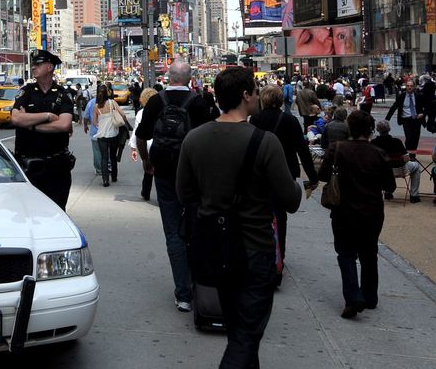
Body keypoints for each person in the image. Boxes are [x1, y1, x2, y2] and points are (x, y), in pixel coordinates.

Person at [177, 66, 302, 367]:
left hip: (214, 250)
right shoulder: (265, 142)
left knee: (238, 330)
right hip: (254, 250)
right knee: (246, 336)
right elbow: (291, 200)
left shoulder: (194, 139)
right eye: (256, 92)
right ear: (246, 95)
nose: (258, 97)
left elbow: (185, 195)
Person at [135, 61, 210, 313]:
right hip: (195, 175)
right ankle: (199, 285)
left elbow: (141, 136)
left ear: (169, 76)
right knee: (196, 229)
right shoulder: (199, 102)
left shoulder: (156, 101)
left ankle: (183, 295)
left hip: (164, 172)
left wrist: (147, 162)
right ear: (190, 79)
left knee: (172, 233)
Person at [318, 110, 396, 318]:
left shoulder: (338, 148)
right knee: (369, 253)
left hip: (344, 210)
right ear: (370, 130)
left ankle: (353, 296)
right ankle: (370, 296)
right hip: (371, 210)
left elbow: (323, 175)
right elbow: (390, 185)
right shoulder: (378, 153)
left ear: (349, 128)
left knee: (346, 253)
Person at [250, 86, 319, 271]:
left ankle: (261, 254)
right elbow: (302, 150)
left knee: (259, 215)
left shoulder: (256, 119)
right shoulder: (290, 120)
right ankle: (279, 257)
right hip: (285, 172)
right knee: (280, 218)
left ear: (263, 99)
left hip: (259, 174)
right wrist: (313, 176)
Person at [11, 50, 75, 209]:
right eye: (33, 64)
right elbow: (16, 118)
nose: (34, 67)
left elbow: (64, 125)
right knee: (29, 214)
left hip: (56, 167)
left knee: (57, 212)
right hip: (28, 167)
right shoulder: (26, 91)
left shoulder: (63, 94)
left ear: (49, 67)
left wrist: (31, 124)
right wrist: (47, 116)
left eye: (38, 64)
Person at [371, 120, 420, 202]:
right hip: (399, 170)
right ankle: (414, 195)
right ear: (389, 129)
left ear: (377, 130)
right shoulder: (397, 142)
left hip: (380, 172)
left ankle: (388, 192)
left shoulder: (373, 142)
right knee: (416, 166)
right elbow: (406, 158)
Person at [129, 88, 159, 201]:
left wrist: (133, 148)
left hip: (145, 143)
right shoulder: (162, 110)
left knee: (148, 169)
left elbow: (137, 131)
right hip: (159, 143)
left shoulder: (141, 113)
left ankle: (146, 192)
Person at [92, 85, 124, 187]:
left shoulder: (96, 106)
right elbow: (123, 114)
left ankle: (105, 180)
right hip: (113, 134)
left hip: (101, 135)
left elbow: (94, 122)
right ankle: (114, 177)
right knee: (113, 156)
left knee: (104, 157)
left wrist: (101, 124)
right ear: (107, 93)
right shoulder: (112, 103)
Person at [385, 79, 426, 152]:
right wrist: (387, 119)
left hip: (416, 119)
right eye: (408, 86)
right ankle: (408, 154)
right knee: (409, 137)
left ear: (414, 87)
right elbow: (394, 107)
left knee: (415, 138)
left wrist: (423, 114)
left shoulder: (419, 96)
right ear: (405, 87)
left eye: (411, 86)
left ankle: (413, 154)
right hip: (405, 120)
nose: (409, 87)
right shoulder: (401, 96)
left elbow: (427, 107)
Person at [83, 91, 101, 176]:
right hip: (108, 132)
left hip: (95, 132)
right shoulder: (109, 102)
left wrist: (85, 125)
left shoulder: (91, 102)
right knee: (107, 151)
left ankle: (99, 169)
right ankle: (108, 167)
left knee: (97, 151)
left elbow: (86, 116)